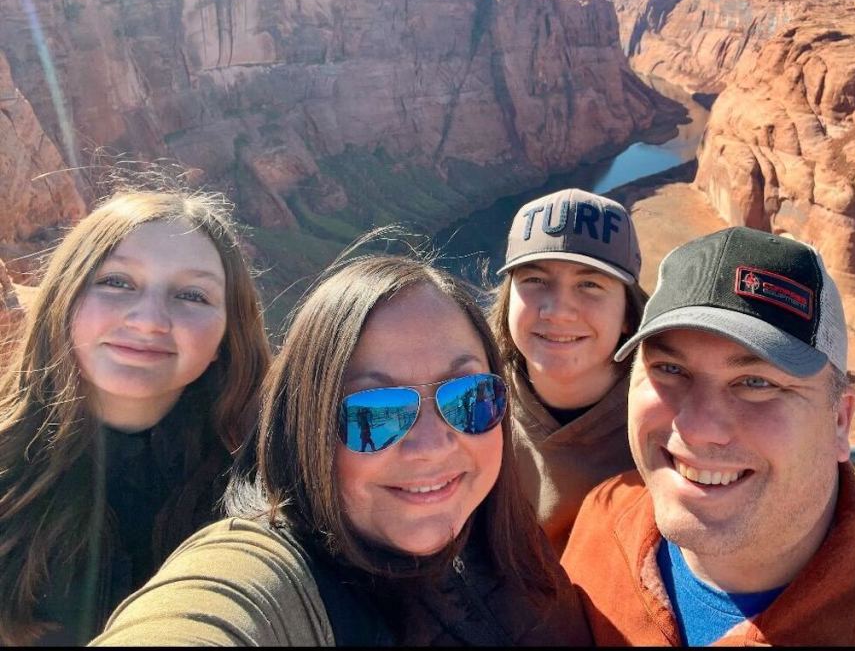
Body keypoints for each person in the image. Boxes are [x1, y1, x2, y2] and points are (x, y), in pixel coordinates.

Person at [92, 254, 592, 646]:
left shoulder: (501, 530)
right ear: (305, 425)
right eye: (374, 413)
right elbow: (201, 618)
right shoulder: (271, 575)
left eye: (469, 398)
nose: (432, 443)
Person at [561, 226, 855, 646]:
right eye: (669, 369)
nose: (699, 427)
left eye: (757, 383)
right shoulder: (602, 520)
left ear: (840, 421)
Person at [0, 189, 271, 646]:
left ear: (229, 332)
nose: (149, 320)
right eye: (117, 282)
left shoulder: (275, 487)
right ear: (64, 298)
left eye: (192, 294)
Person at [488, 187, 647, 553]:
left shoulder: (663, 428)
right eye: (535, 280)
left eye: (589, 284)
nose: (558, 310)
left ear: (627, 313)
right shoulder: (469, 404)